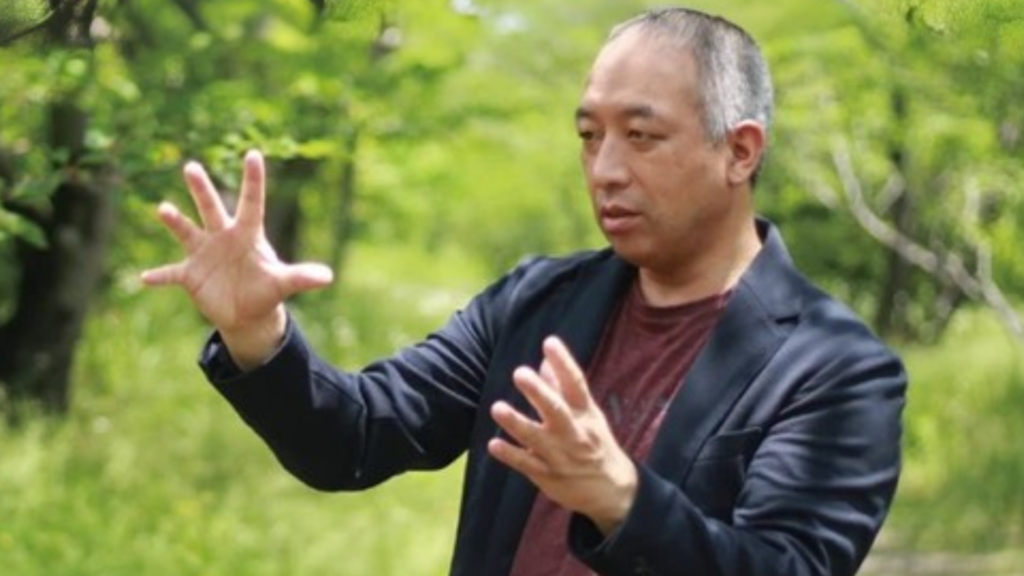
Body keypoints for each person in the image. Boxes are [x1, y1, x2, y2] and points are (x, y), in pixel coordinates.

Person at [142, 6, 906, 576]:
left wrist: (622, 500)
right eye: (589, 136)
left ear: (739, 151)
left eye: (641, 136)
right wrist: (258, 336)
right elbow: (356, 439)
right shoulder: (536, 303)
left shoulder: (834, 367)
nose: (606, 169)